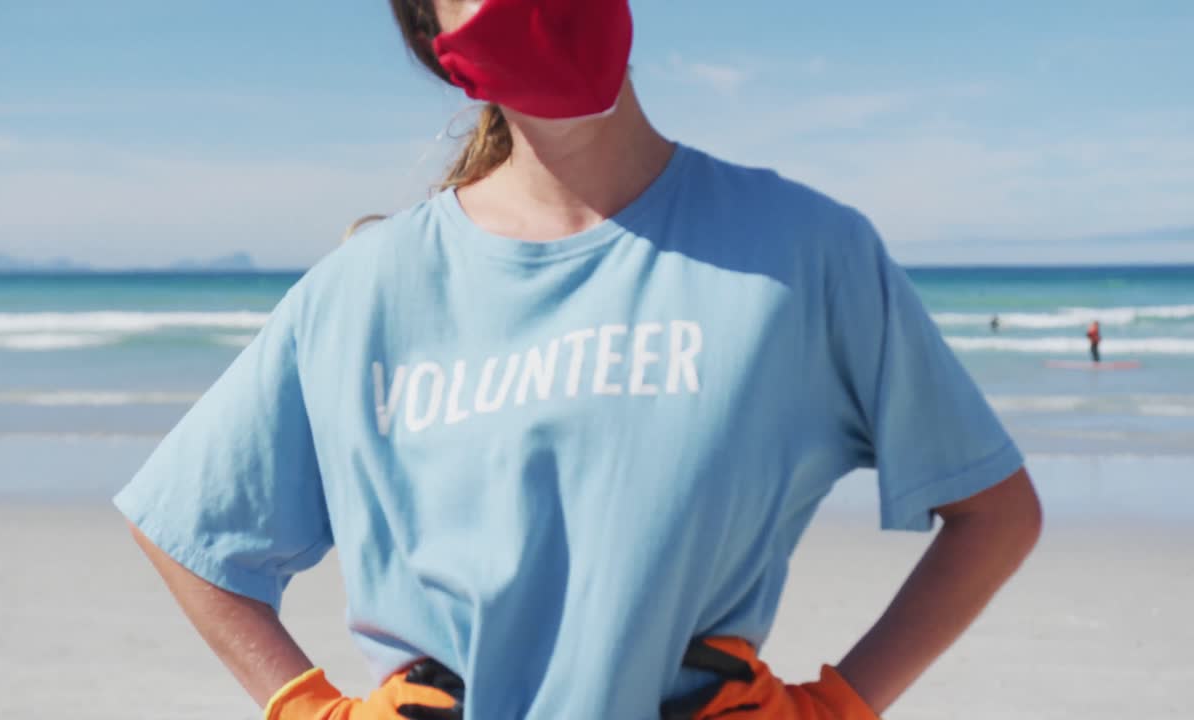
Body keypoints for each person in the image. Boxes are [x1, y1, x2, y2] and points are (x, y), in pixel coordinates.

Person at [114, 1, 1042, 718]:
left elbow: (994, 512)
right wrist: (306, 707)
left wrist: (837, 705)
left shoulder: (802, 252)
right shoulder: (365, 290)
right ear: (439, 42)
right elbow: (186, 529)